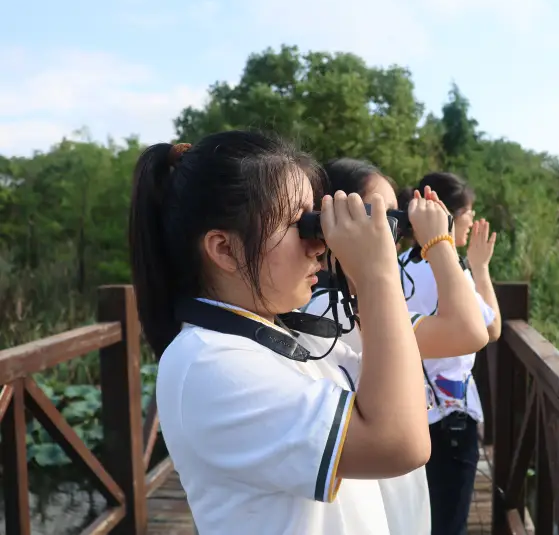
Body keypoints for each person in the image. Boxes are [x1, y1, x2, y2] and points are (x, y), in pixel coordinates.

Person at [128, 130, 449, 535]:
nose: (317, 244)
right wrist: (377, 274)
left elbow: (401, 403)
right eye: (299, 223)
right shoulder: (208, 362)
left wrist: (367, 275)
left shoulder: (278, 333)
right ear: (224, 249)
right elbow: (400, 443)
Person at [299, 158, 491, 535]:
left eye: (394, 221)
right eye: (381, 217)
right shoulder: (329, 312)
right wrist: (439, 243)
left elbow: (471, 331)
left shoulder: (358, 307)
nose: (394, 233)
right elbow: (472, 330)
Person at [399, 171, 501, 535]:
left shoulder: (397, 266)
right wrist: (479, 267)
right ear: (448, 215)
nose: (472, 221)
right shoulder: (448, 271)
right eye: (468, 213)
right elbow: (490, 329)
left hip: (407, 415)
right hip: (450, 420)